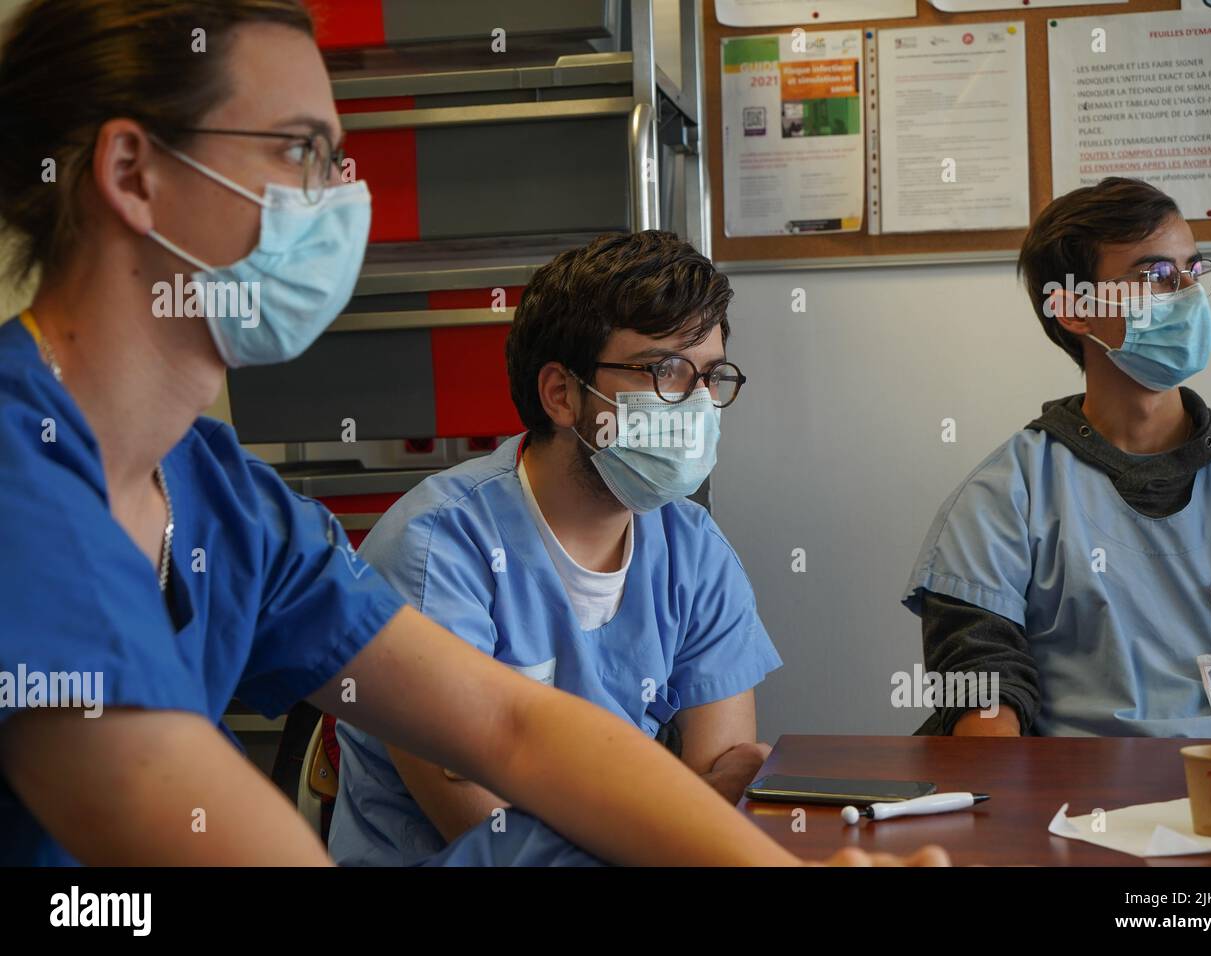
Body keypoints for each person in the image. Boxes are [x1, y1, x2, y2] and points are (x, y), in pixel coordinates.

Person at [0, 0, 949, 867]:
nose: (338, 198)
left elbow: (511, 728)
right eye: (299, 151)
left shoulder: (226, 502)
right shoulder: (17, 475)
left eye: (339, 160)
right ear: (134, 174)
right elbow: (153, 795)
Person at [329, 231, 781, 865]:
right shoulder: (436, 551)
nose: (698, 405)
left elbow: (725, 782)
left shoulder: (693, 550)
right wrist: (677, 817)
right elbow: (489, 834)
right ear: (562, 394)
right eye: (664, 371)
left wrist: (701, 811)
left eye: (709, 377)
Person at [902, 177, 1211, 739]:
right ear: (1073, 310)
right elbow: (981, 691)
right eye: (1156, 274)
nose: (1187, 292)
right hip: (1087, 810)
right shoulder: (1004, 499)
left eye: (1194, 269)